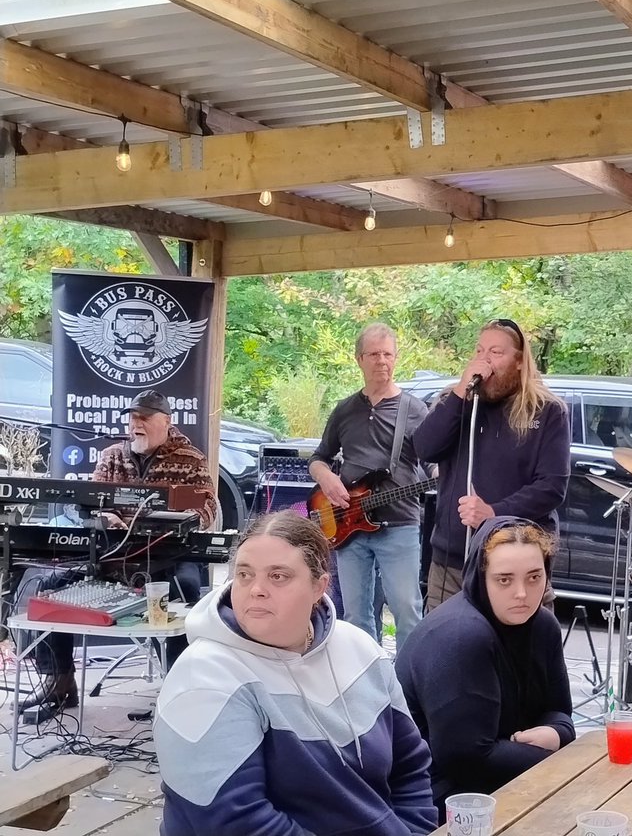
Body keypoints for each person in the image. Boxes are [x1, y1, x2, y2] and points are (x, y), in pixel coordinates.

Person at [155, 511, 437, 836]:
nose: (256, 589)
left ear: (319, 586)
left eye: (278, 576)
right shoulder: (203, 677)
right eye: (244, 574)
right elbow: (235, 822)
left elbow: (411, 767)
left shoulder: (360, 649)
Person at [15, 389, 217, 721]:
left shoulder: (190, 459)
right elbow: (89, 504)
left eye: (144, 418)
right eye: (133, 417)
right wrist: (105, 517)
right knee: (49, 587)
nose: (136, 424)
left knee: (186, 590)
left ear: (166, 422)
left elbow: (207, 509)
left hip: (168, 553)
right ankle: (59, 682)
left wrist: (163, 522)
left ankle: (178, 692)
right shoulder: (111, 455)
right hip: (113, 554)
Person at [395, 516, 575, 811]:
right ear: (482, 577)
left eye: (534, 577)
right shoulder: (460, 635)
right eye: (504, 579)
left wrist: (556, 733)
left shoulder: (542, 625)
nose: (522, 593)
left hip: (504, 776)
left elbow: (560, 712)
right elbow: (466, 758)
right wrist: (563, 763)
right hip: (431, 793)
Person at [413, 319, 569, 610]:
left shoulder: (548, 410)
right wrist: (461, 391)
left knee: (516, 653)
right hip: (453, 562)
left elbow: (552, 487)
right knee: (448, 651)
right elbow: (425, 448)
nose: (485, 360)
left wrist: (494, 514)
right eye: (480, 351)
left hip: (517, 562)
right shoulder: (457, 401)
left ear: (520, 361)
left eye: (496, 352)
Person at [310, 322, 429, 646]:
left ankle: (408, 684)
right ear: (359, 359)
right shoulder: (345, 409)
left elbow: (434, 462)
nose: (382, 361)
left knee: (407, 610)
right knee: (356, 615)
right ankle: (367, 684)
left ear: (396, 358)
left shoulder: (415, 410)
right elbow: (319, 457)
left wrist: (444, 475)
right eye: (374, 354)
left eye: (387, 354)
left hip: (400, 525)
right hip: (349, 526)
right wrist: (327, 478)